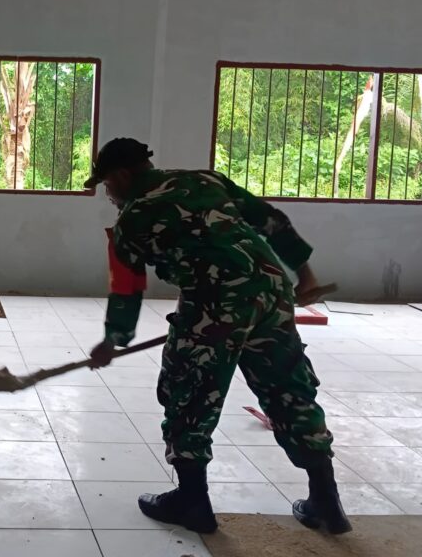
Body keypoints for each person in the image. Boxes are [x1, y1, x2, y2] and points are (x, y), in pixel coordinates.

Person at [85, 138, 350, 535]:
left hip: (211, 305)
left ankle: (192, 501)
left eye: (107, 185)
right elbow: (271, 220)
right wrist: (305, 275)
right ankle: (326, 502)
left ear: (122, 175)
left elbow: (127, 286)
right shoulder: (206, 180)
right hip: (271, 295)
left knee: (189, 395)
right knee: (289, 390)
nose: (108, 195)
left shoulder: (132, 219)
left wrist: (112, 340)